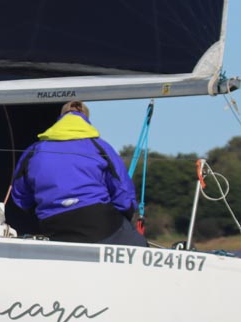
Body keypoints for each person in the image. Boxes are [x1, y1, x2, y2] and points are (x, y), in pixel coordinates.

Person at [10, 100, 145, 247]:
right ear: (86, 120)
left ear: (60, 119)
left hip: (53, 223)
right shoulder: (99, 146)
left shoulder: (34, 151)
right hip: (97, 220)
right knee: (140, 247)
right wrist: (125, 216)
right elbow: (123, 192)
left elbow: (21, 197)